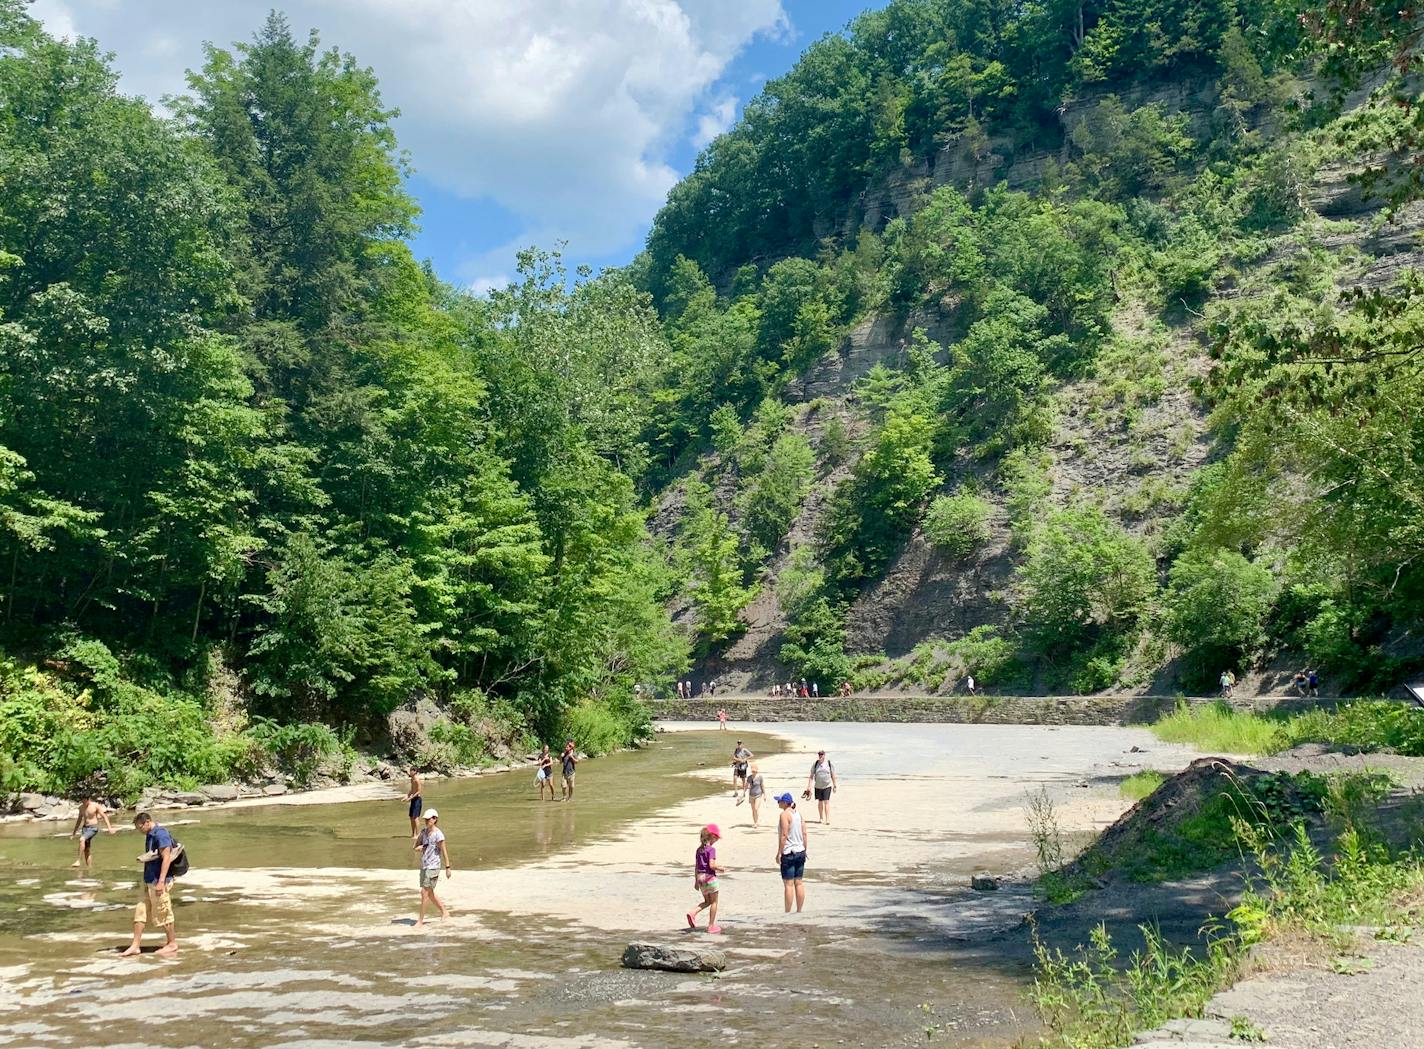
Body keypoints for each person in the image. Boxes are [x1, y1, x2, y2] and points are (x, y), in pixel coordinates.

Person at [122, 812, 178, 957]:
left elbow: (166, 858)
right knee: (140, 910)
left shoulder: (161, 834)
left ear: (147, 822)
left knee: (163, 910)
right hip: (149, 878)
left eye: (139, 827)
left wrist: (161, 881)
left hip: (160, 880)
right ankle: (135, 945)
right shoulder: (150, 834)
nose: (139, 830)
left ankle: (172, 943)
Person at [414, 808, 451, 924]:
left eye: (429, 819)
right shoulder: (424, 832)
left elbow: (444, 851)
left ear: (435, 819)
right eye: (425, 819)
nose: (426, 821)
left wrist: (448, 867)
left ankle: (420, 921)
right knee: (429, 893)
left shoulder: (438, 834)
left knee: (424, 893)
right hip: (425, 865)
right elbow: (415, 846)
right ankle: (445, 912)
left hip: (434, 867)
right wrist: (418, 848)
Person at [773, 793, 807, 913]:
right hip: (800, 851)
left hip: (789, 852)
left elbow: (784, 835)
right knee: (799, 882)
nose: (778, 803)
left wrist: (779, 853)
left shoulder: (784, 815)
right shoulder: (798, 814)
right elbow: (804, 834)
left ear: (784, 803)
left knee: (788, 884)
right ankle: (799, 910)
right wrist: (805, 849)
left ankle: (787, 912)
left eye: (779, 801)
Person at [686, 823, 723, 934]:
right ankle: (711, 926)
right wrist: (720, 868)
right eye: (716, 838)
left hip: (701, 878)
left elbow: (697, 866)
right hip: (710, 878)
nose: (717, 840)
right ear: (712, 837)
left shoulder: (699, 850)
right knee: (714, 902)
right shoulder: (711, 850)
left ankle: (693, 913)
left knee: (707, 901)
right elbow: (711, 865)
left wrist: (696, 881)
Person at [70, 797, 114, 869]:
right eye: (82, 802)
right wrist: (74, 833)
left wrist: (109, 828)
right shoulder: (81, 807)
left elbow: (104, 816)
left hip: (93, 828)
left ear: (88, 800)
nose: (84, 803)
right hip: (85, 828)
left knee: (82, 839)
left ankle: (78, 860)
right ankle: (89, 868)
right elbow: (79, 820)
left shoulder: (95, 806)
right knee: (86, 850)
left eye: (85, 802)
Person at [805, 750, 837, 825]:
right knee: (820, 802)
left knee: (826, 801)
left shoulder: (829, 764)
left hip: (827, 786)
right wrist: (809, 786)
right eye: (819, 754)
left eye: (822, 755)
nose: (820, 756)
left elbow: (833, 775)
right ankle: (821, 817)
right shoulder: (815, 764)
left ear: (824, 755)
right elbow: (811, 776)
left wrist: (834, 785)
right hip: (818, 786)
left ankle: (827, 819)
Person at [404, 767, 423, 839]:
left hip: (417, 799)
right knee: (411, 817)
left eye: (410, 771)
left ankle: (418, 835)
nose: (409, 773)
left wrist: (410, 798)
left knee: (415, 818)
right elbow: (412, 789)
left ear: (414, 771)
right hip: (413, 800)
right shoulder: (412, 779)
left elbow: (419, 791)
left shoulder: (417, 780)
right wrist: (407, 796)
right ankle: (413, 834)